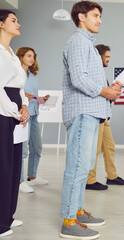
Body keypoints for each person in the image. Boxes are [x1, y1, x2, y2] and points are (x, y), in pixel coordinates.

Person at [59, 1, 122, 239]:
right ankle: (68, 221)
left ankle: (76, 211)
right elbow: (78, 78)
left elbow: (91, 80)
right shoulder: (77, 41)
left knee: (84, 167)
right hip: (82, 112)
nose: (100, 20)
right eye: (96, 15)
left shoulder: (87, 45)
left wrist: (111, 88)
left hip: (92, 112)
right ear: (81, 17)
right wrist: (105, 91)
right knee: (76, 167)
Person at [0, 10, 29, 238]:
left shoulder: (11, 53)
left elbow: (19, 88)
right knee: (3, 167)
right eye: (13, 20)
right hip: (3, 115)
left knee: (14, 167)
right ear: (1, 24)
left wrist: (25, 106)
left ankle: (7, 215)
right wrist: (13, 111)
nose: (18, 23)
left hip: (16, 116)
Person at [85, 44, 124, 191]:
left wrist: (114, 91)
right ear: (99, 57)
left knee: (109, 147)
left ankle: (112, 176)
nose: (109, 60)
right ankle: (90, 180)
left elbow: (107, 97)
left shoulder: (102, 75)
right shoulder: (92, 74)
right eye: (107, 57)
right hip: (97, 117)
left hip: (105, 117)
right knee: (95, 150)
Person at [15, 47, 50, 194]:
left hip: (35, 114)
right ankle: (19, 181)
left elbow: (33, 95)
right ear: (21, 56)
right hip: (22, 115)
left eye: (33, 56)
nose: (32, 59)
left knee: (37, 147)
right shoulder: (16, 73)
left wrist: (42, 99)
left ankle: (32, 177)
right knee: (22, 150)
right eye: (29, 56)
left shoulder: (33, 75)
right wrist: (24, 96)